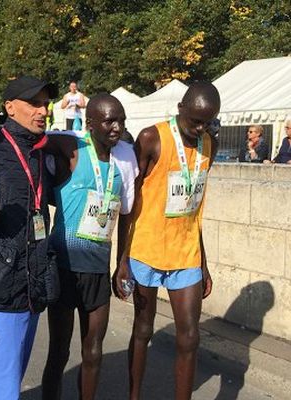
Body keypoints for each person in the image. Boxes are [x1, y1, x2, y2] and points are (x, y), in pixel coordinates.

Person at [113, 82, 220, 400]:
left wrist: (204, 262)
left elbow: (195, 207)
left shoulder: (208, 144)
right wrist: (122, 260)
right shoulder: (150, 138)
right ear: (181, 110)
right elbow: (128, 203)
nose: (200, 128)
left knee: (189, 338)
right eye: (195, 120)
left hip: (185, 254)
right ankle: (135, 395)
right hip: (146, 250)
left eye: (208, 121)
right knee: (142, 330)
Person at [0, 76, 59, 400]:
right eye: (34, 103)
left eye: (45, 103)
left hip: (31, 288)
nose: (43, 110)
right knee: (5, 389)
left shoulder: (38, 151)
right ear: (10, 107)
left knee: (9, 382)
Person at [41, 94, 138, 399]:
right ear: (91, 123)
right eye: (110, 120)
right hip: (64, 265)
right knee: (59, 350)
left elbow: (126, 215)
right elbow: (36, 137)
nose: (117, 127)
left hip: (98, 268)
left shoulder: (123, 159)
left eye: (121, 120)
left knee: (93, 351)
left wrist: (123, 263)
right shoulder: (72, 149)